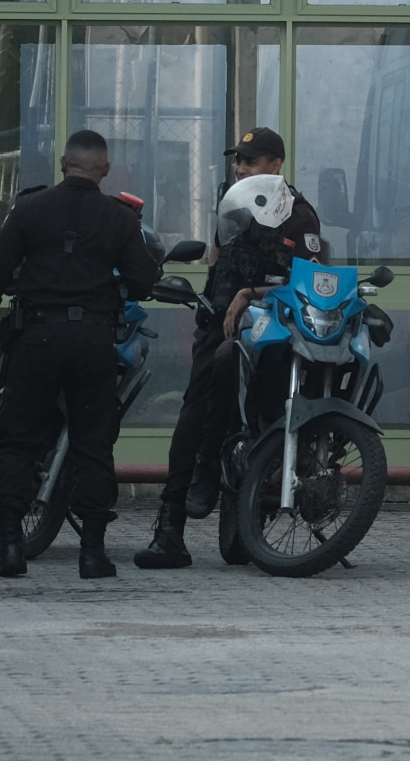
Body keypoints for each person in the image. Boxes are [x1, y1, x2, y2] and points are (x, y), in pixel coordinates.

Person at [0, 129, 162, 580]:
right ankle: (92, 554)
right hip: (93, 342)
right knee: (94, 444)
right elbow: (142, 281)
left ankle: (12, 548)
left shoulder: (30, 209)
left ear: (63, 164)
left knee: (17, 440)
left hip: (35, 339)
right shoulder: (119, 219)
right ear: (105, 170)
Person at [134, 127, 324, 570]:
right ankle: (170, 528)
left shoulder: (299, 214)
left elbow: (312, 281)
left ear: (275, 165)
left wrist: (252, 294)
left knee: (268, 414)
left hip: (272, 328)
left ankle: (255, 514)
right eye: (238, 160)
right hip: (220, 321)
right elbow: (217, 258)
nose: (240, 168)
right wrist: (214, 303)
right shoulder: (230, 200)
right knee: (193, 416)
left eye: (251, 161)